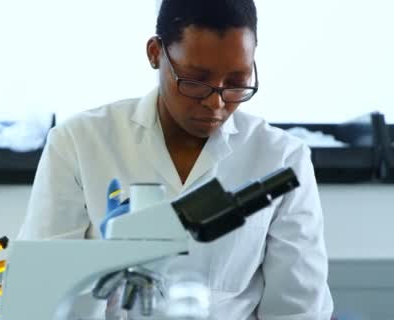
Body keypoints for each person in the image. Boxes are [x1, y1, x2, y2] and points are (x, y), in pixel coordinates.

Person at [18, 0, 334, 319]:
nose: (216, 103)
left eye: (237, 82)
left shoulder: (282, 157)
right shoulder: (78, 142)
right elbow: (35, 300)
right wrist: (106, 260)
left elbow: (297, 310)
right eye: (195, 81)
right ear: (156, 53)